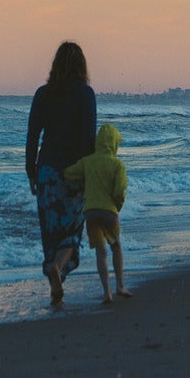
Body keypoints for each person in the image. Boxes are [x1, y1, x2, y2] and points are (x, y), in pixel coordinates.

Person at [25, 41, 96, 304]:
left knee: (50, 233)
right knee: (72, 230)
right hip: (73, 172)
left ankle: (54, 275)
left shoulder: (43, 94)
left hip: (46, 172)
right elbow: (89, 138)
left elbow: (33, 135)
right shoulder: (85, 94)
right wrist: (89, 174)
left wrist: (30, 170)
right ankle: (58, 269)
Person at [65, 122, 132, 305]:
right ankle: (120, 286)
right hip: (109, 212)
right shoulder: (117, 164)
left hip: (91, 212)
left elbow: (69, 173)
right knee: (116, 246)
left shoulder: (88, 161)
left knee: (100, 252)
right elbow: (119, 191)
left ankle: (106, 293)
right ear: (114, 143)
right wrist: (117, 206)